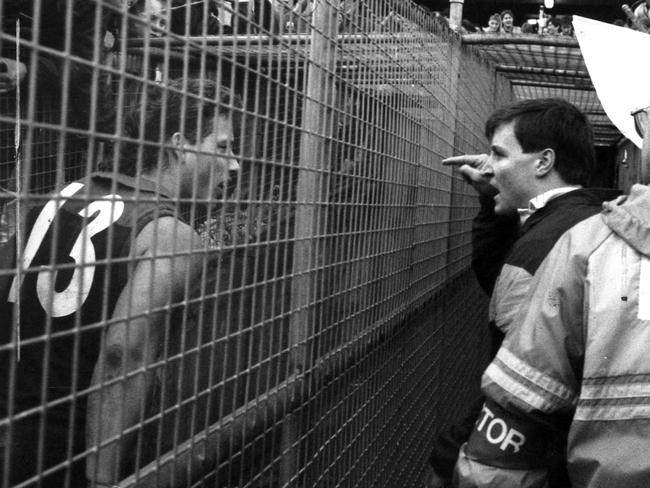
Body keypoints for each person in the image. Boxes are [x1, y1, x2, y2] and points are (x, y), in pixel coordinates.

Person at [0, 78, 240, 487]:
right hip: (71, 454)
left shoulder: (61, 197)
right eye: (222, 147)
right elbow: (123, 353)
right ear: (179, 145)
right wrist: (102, 478)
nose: (235, 164)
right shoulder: (171, 235)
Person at [425, 98, 621, 487]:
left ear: (544, 162)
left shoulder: (550, 240)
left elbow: (527, 385)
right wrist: (492, 196)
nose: (489, 165)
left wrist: (452, 451)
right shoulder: (583, 219)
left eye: (498, 154)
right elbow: (500, 282)